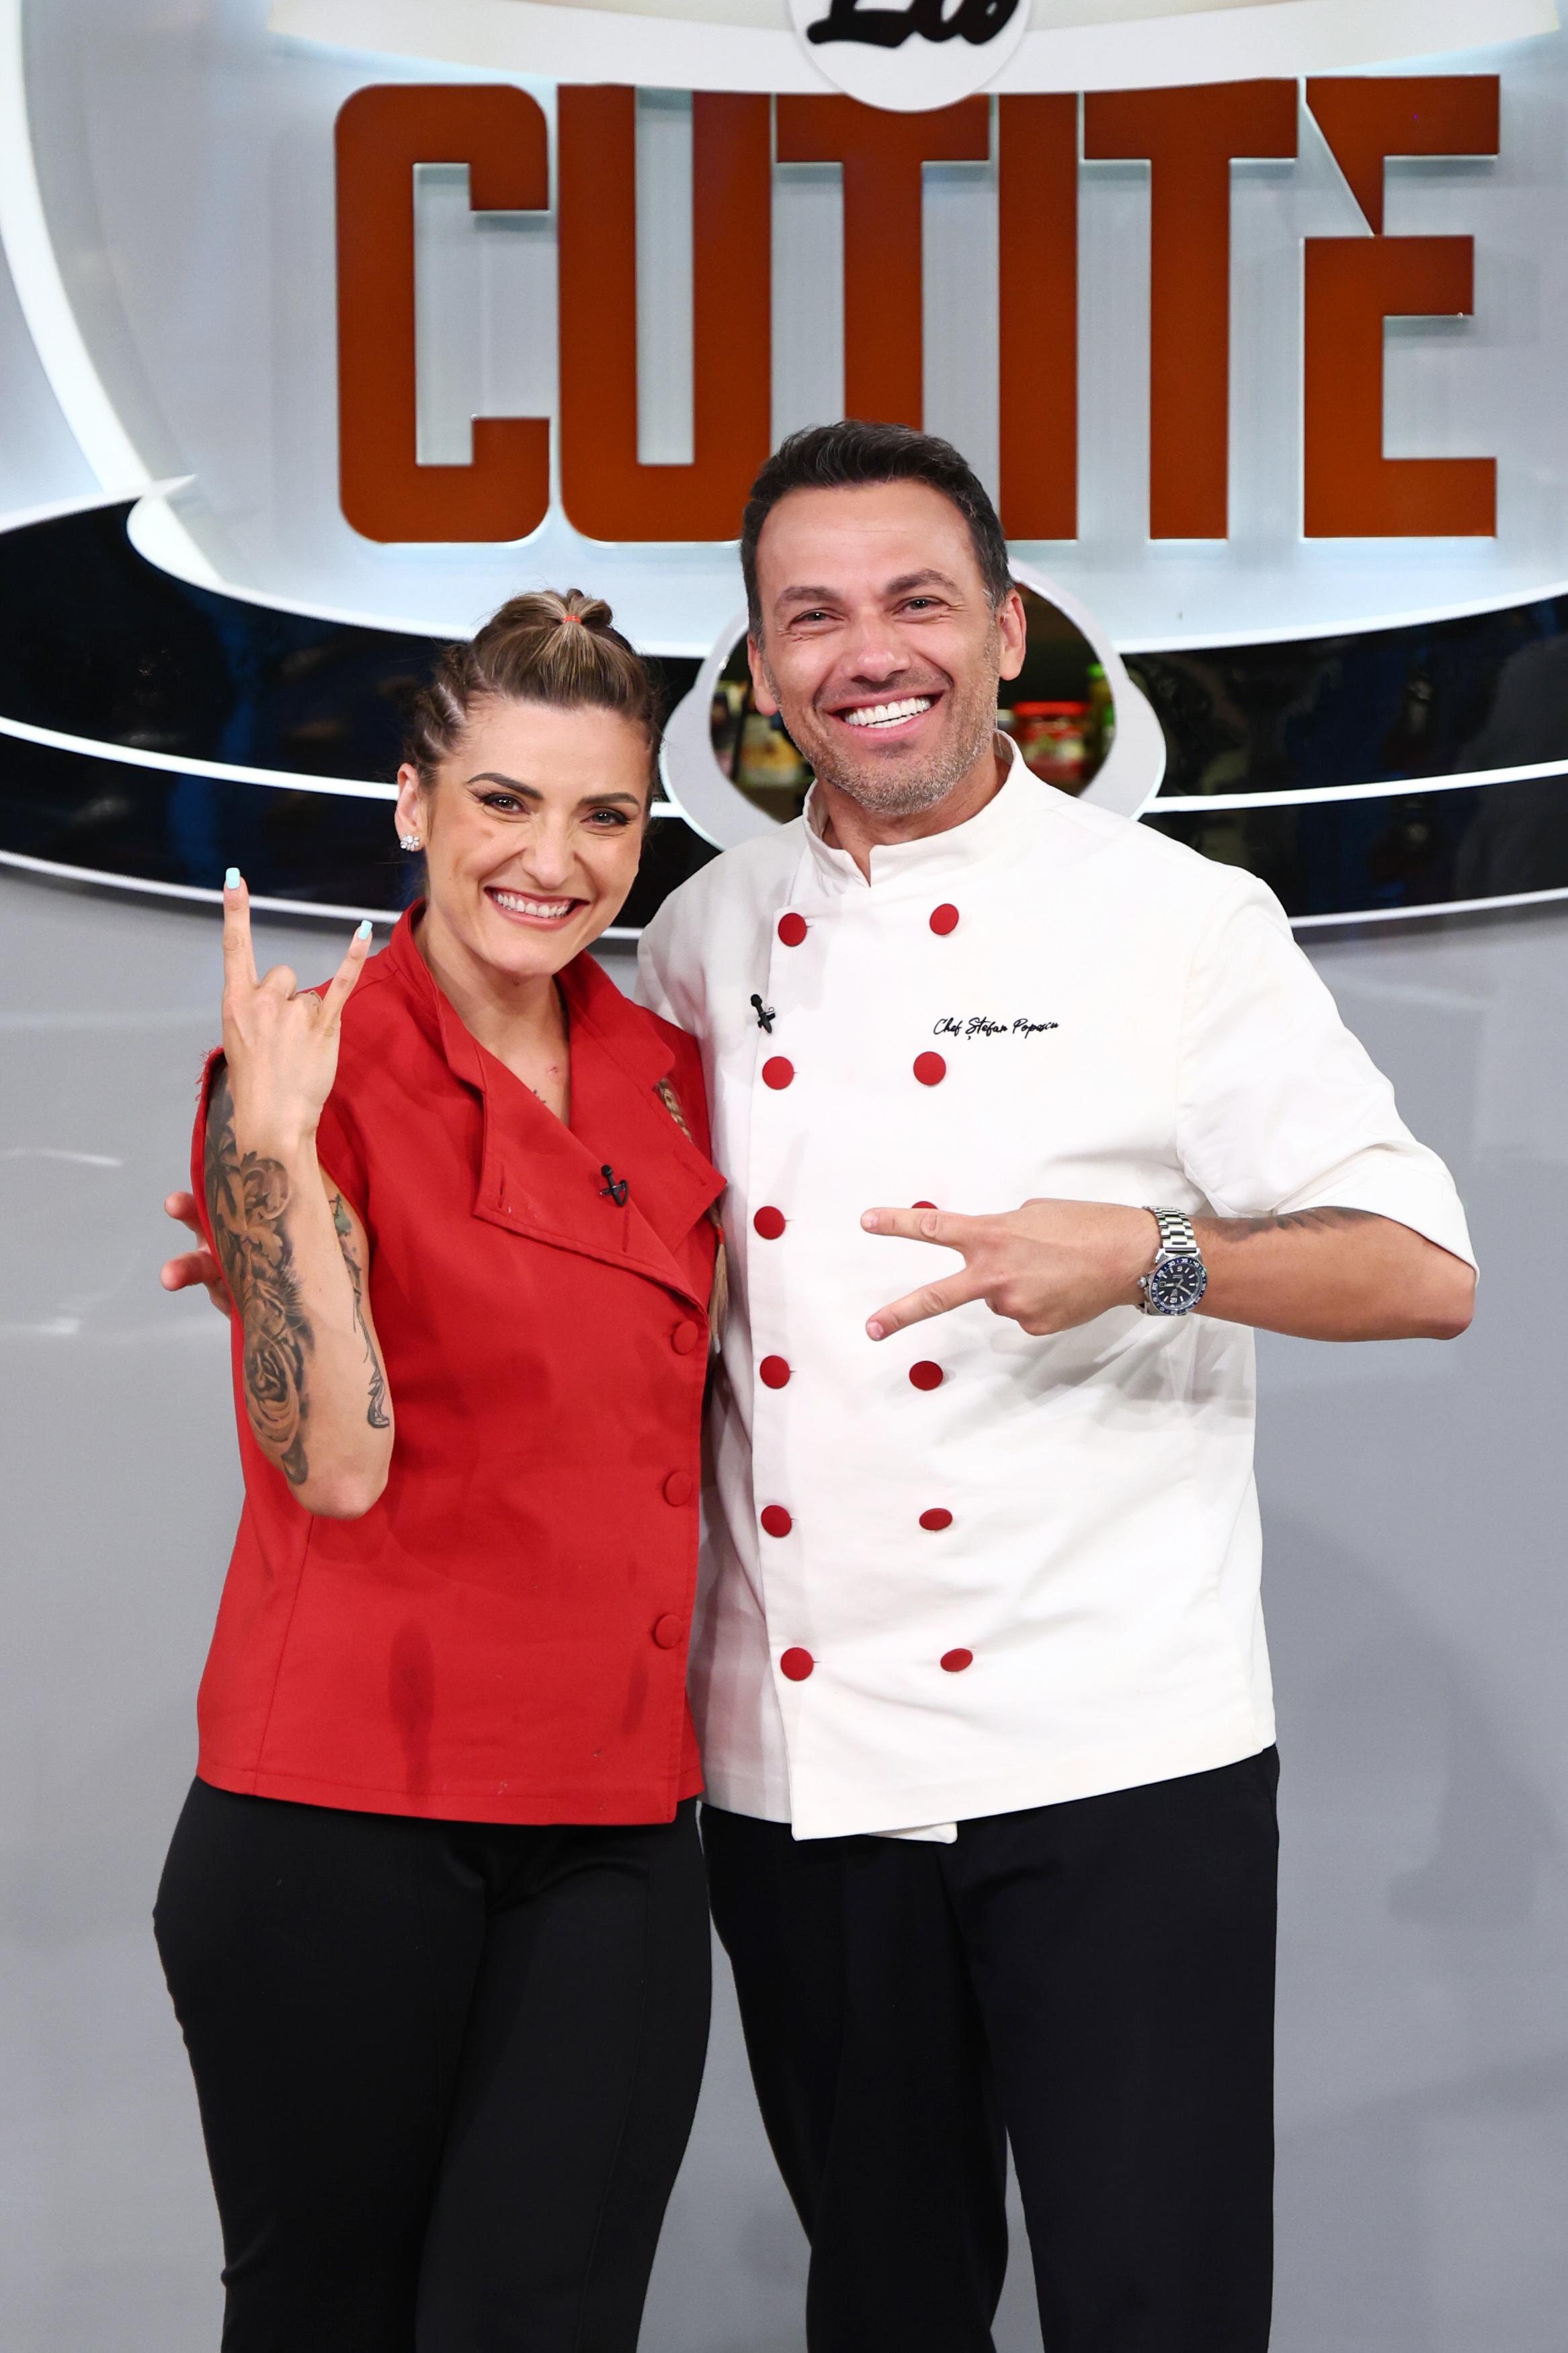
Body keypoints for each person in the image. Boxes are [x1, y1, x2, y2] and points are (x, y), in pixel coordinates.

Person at [633, 422, 1477, 2353]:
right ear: (759, 664)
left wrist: (1151, 1254)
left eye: (918, 601)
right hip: (801, 1761)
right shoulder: (702, 934)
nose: (871, 653)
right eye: (812, 615)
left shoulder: (1175, 919)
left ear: (1009, 631)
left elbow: (1424, 1267)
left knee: (1156, 2305)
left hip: (1118, 1760)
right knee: (886, 2306)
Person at [153, 591, 723, 2353]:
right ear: (413, 804)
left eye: (604, 814)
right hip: (345, 1815)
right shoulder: (297, 1073)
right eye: (503, 801)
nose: (554, 859)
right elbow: (335, 1463)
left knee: (547, 2316)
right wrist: (270, 1160)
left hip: (617, 1822)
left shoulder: (672, 1075)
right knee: (328, 2319)